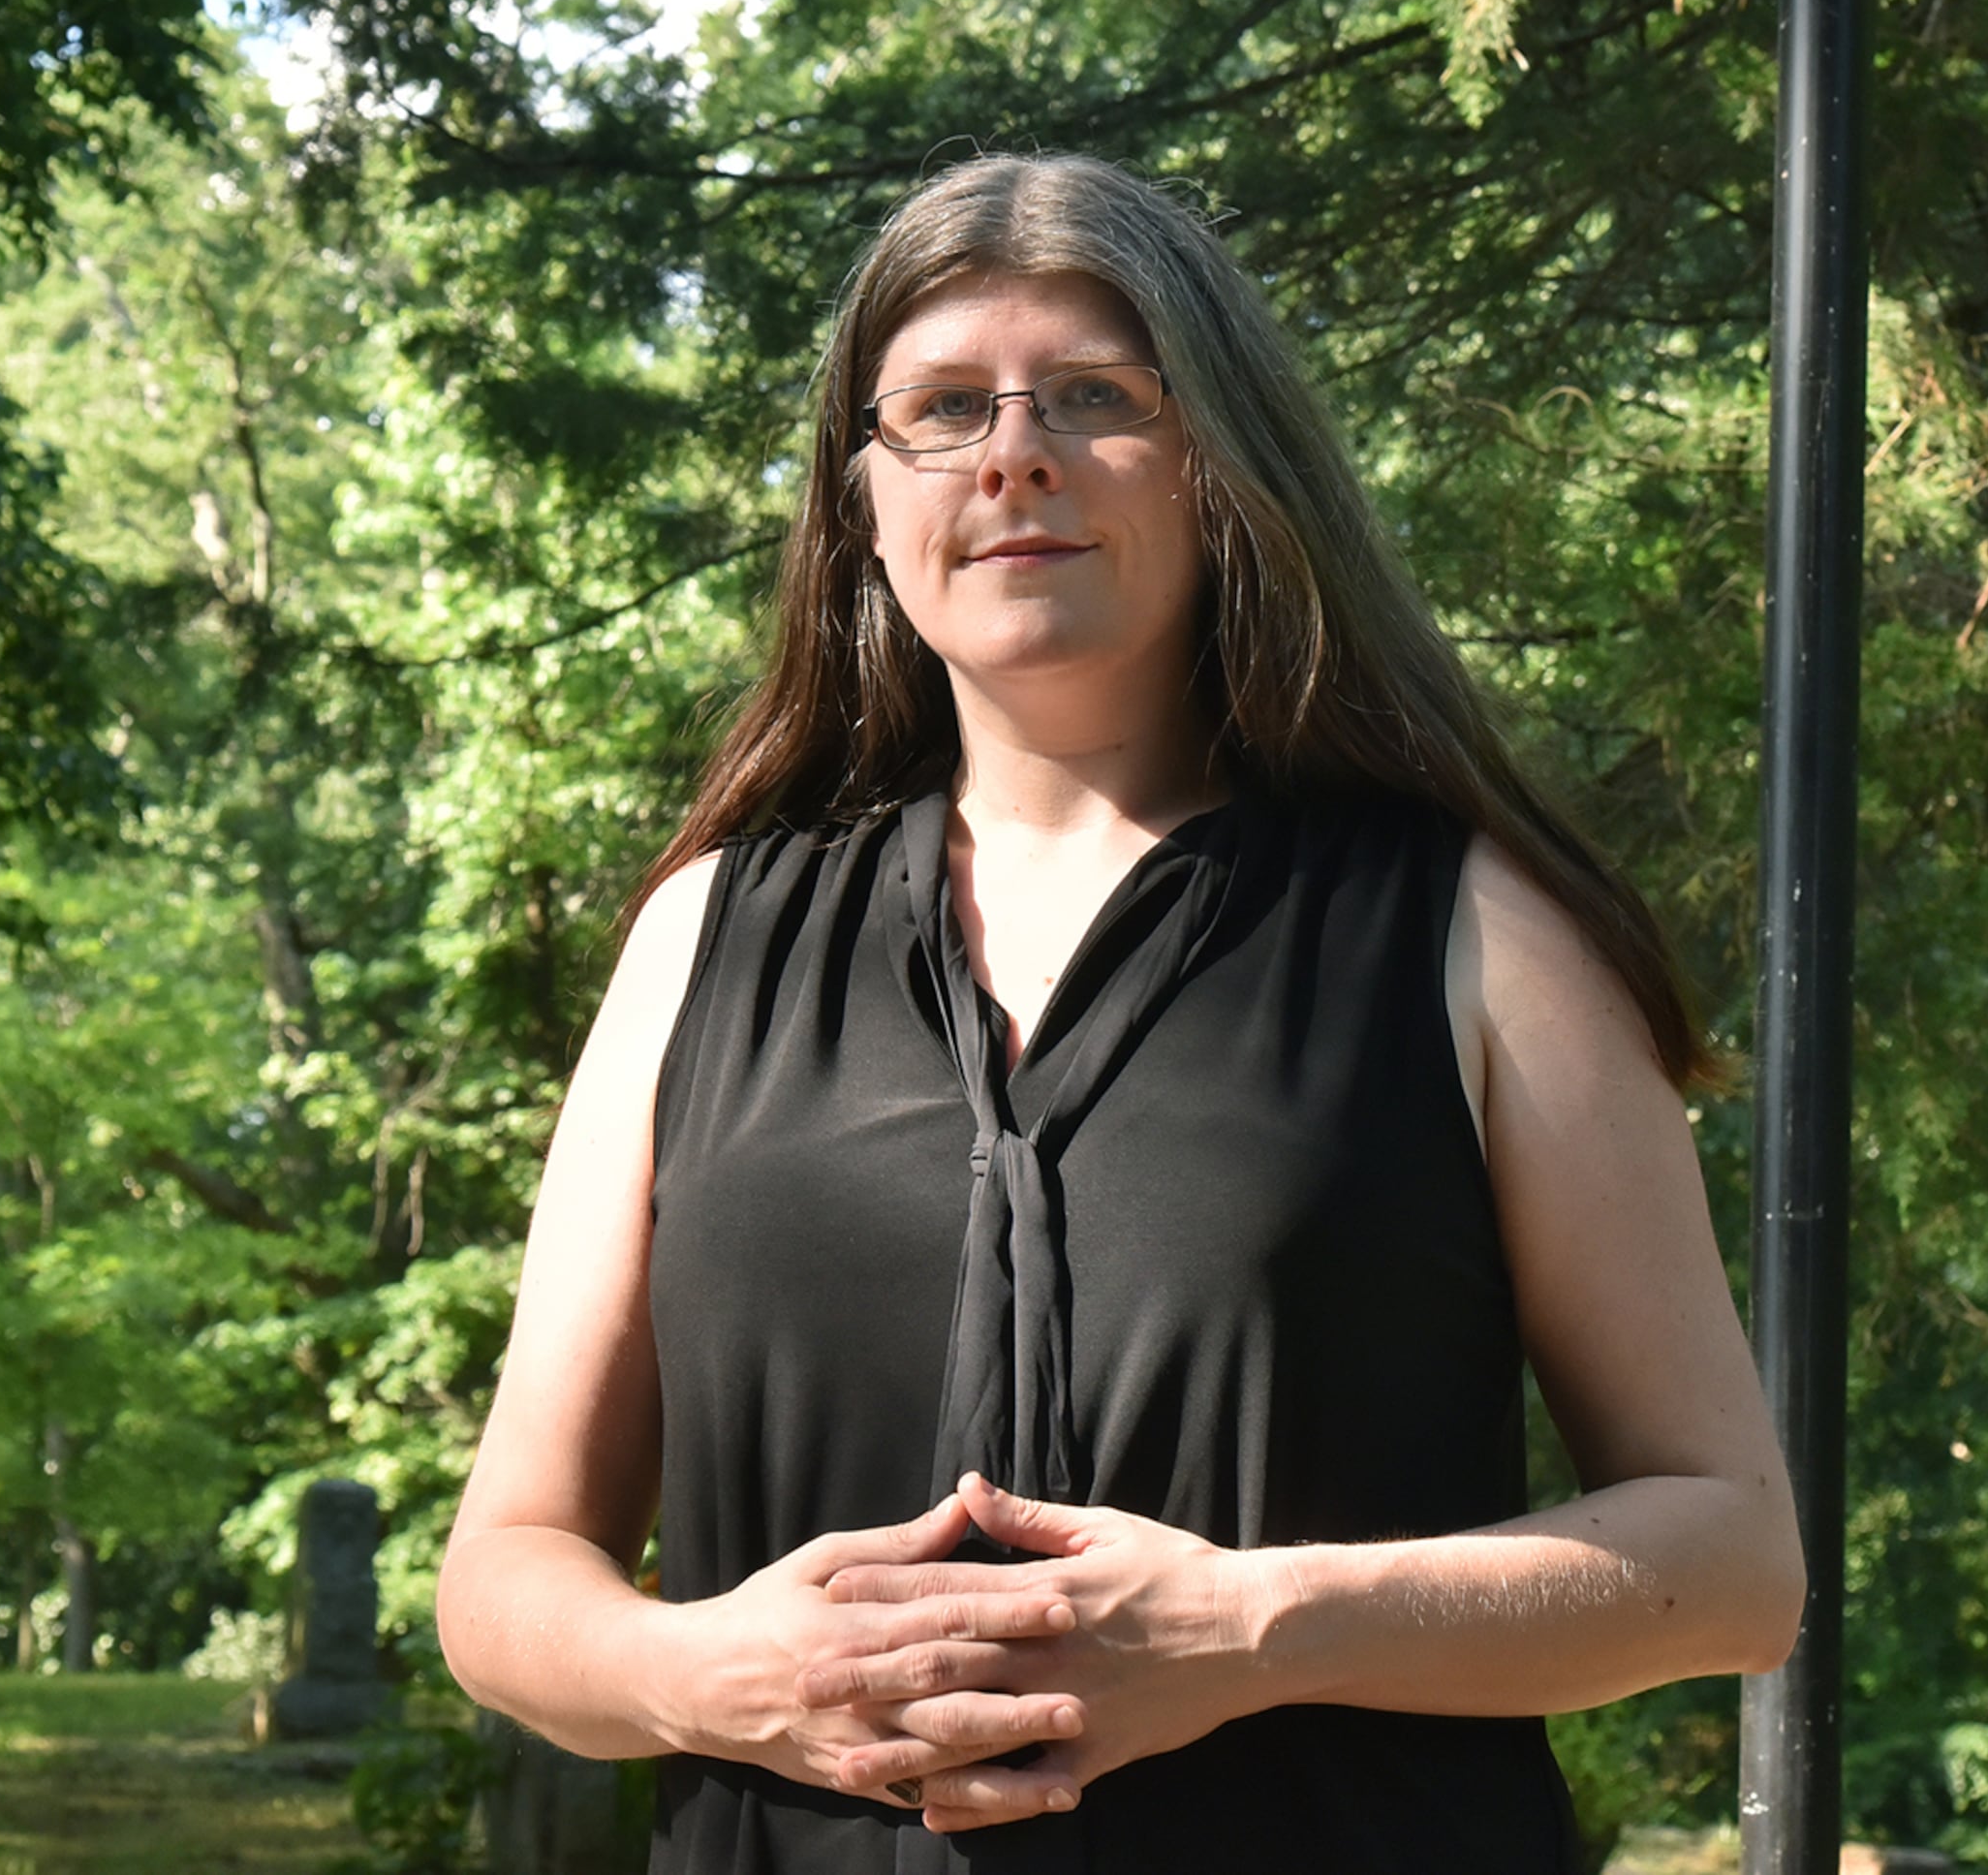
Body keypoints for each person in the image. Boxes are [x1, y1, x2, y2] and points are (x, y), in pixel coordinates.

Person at [436, 154, 1799, 1873]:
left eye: (1095, 397)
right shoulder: (706, 938)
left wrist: (1253, 1625)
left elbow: (1736, 1563)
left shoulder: (1471, 933)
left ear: (1219, 464)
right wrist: (706, 1670)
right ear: (863, 501)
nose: (1014, 453)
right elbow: (505, 1572)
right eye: (940, 408)